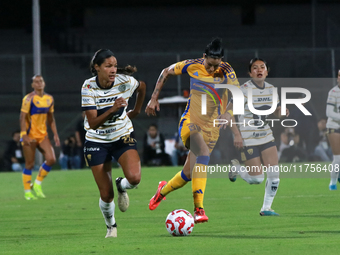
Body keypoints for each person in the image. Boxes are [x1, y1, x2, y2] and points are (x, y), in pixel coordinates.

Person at [146, 38, 242, 223]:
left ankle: (161, 191)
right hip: (190, 122)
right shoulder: (192, 65)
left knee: (187, 175)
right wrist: (154, 98)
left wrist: (229, 113)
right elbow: (165, 71)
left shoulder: (227, 70)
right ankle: (199, 209)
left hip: (211, 129)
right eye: (210, 64)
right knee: (203, 153)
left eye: (216, 65)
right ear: (204, 57)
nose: (213, 69)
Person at [82, 49, 146, 238]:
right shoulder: (88, 87)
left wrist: (136, 110)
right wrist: (113, 109)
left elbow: (141, 87)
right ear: (97, 67)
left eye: (115, 66)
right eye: (108, 66)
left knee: (134, 179)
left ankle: (122, 185)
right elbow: (93, 123)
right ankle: (111, 226)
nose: (113, 70)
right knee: (106, 195)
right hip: (97, 141)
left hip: (121, 136)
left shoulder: (124, 82)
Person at [229, 58, 289, 216]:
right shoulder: (242, 90)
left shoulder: (271, 89)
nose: (259, 70)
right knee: (256, 179)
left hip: (266, 135)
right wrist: (236, 134)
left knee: (275, 176)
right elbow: (227, 114)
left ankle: (266, 208)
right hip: (248, 138)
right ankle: (236, 168)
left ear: (267, 72)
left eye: (262, 67)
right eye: (255, 68)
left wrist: (281, 112)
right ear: (250, 73)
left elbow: (276, 112)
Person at [20, 75, 60, 200]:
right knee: (29, 164)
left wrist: (55, 134)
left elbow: (51, 118)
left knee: (51, 159)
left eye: (41, 81)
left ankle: (37, 184)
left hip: (42, 135)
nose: (39, 83)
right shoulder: (28, 98)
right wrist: (23, 134)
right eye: (36, 82)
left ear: (44, 83)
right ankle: (27, 192)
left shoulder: (49, 99)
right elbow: (22, 117)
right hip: (30, 135)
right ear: (32, 85)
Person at [326, 69, 340, 190]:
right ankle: (333, 182)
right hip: (334, 126)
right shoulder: (334, 92)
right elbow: (329, 112)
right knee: (338, 158)